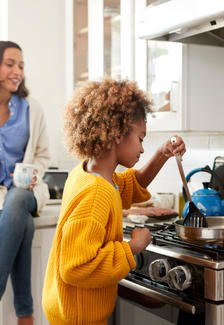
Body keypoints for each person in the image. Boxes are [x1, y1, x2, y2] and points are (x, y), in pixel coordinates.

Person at [42, 77, 186, 325]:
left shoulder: (89, 174)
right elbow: (76, 267)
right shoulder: (96, 193)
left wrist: (162, 155)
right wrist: (132, 247)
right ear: (118, 133)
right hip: (79, 317)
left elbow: (133, 184)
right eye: (141, 139)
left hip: (71, 309)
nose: (142, 149)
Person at [0, 41, 50, 325]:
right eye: (10, 64)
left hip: (28, 191)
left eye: (21, 65)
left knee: (18, 199)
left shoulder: (33, 108)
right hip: (3, 200)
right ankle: (26, 315)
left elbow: (43, 155)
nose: (17, 71)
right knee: (24, 224)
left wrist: (31, 173)